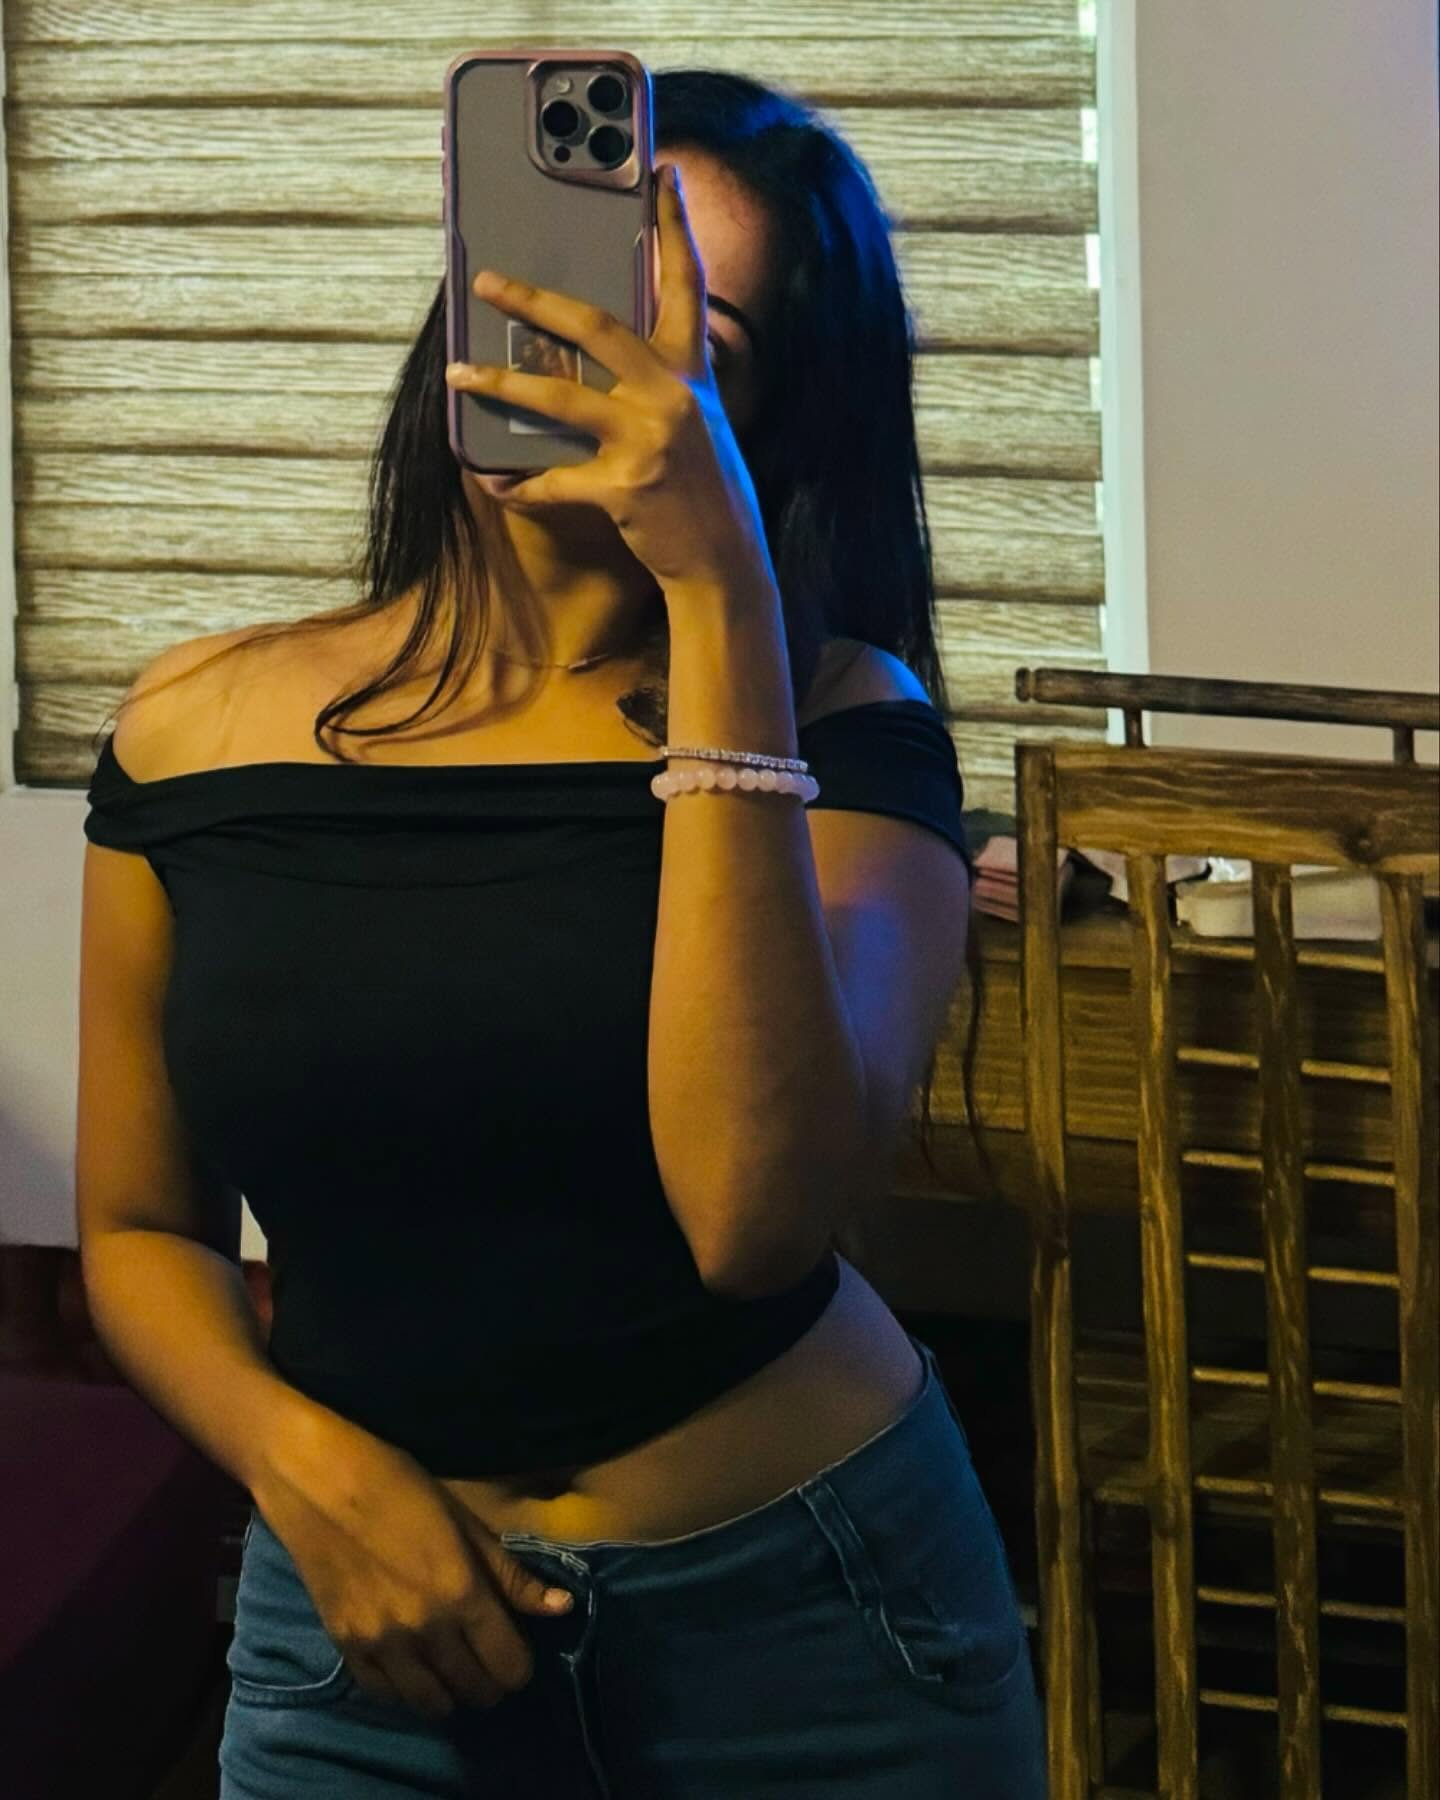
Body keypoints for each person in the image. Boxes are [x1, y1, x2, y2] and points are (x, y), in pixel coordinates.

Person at [77, 68, 1046, 1800]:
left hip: (813, 1629)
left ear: (770, 415)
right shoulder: (192, 728)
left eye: (695, 346)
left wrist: (720, 592)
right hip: (363, 1635)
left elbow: (757, 1219)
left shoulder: (845, 718)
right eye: (571, 294)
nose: (600, 365)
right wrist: (302, 1468)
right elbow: (141, 1230)